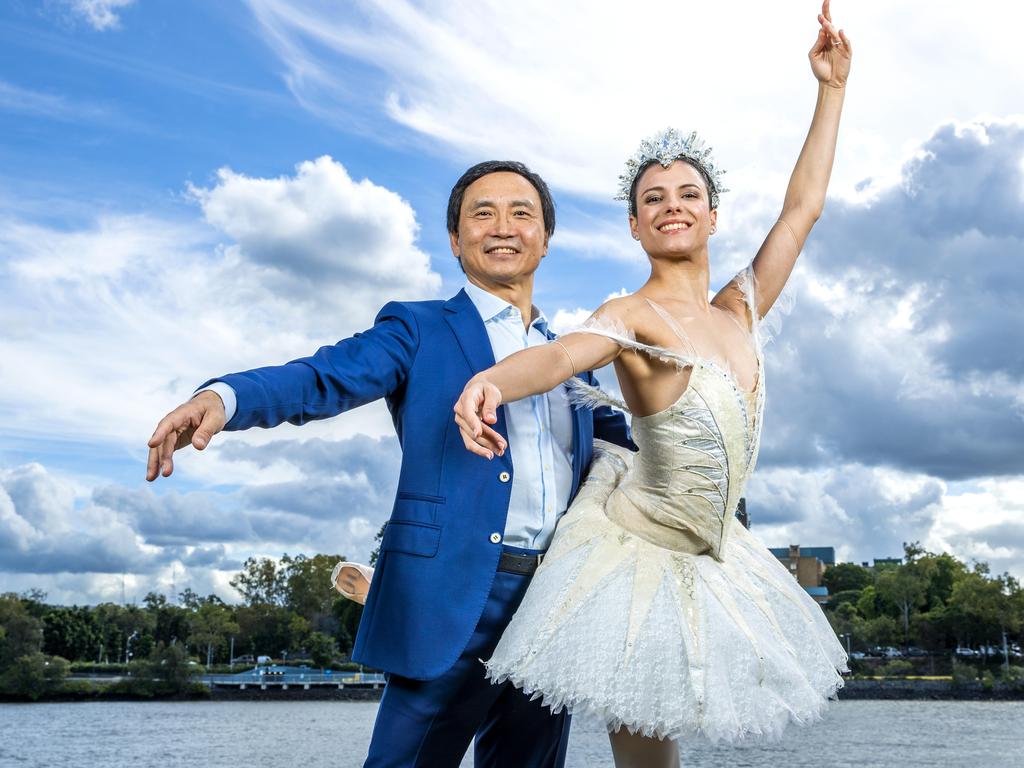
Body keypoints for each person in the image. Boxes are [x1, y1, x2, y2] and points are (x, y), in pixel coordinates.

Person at [451, 3, 852, 765]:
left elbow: (803, 210)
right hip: (636, 559)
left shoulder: (740, 307)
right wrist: (493, 382)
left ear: (711, 213)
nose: (673, 207)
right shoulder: (631, 314)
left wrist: (831, 89)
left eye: (687, 195)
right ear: (636, 226)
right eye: (654, 200)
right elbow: (567, 355)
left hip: (717, 553)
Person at [145, 160, 634, 768]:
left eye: (521, 213)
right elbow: (324, 375)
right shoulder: (419, 327)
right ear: (456, 240)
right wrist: (225, 398)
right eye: (482, 213)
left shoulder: (575, 359)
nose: (502, 226)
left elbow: (633, 457)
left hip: (554, 601)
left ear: (545, 236)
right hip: (449, 595)